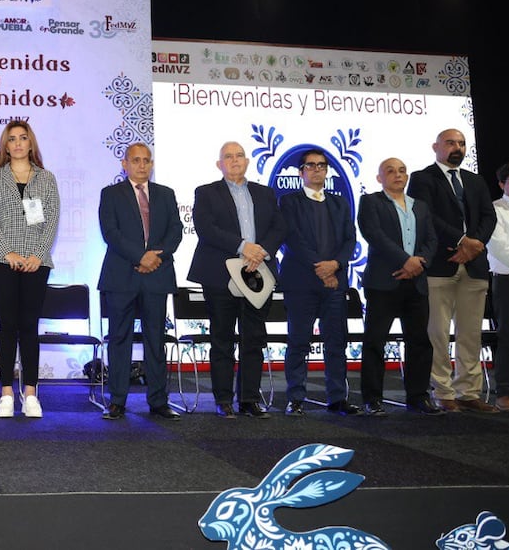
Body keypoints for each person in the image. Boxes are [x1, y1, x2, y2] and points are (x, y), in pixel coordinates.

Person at [187, 141, 286, 419]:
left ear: (247, 161)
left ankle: (249, 400)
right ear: (219, 164)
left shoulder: (265, 193)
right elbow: (207, 229)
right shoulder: (206, 192)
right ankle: (223, 400)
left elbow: (280, 227)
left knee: (253, 339)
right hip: (220, 275)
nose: (234, 160)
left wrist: (261, 250)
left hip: (259, 273)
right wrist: (244, 247)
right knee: (222, 339)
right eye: (228, 157)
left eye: (239, 155)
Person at [407, 129, 498, 413]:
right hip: (438, 266)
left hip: (474, 266)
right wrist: (462, 241)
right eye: (450, 143)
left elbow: (488, 216)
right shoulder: (422, 179)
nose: (456, 147)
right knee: (438, 332)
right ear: (436, 147)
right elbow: (425, 216)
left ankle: (468, 392)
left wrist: (475, 244)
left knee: (471, 333)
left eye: (461, 143)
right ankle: (443, 392)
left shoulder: (475, 180)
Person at [0, 119, 60, 419]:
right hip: (2, 261)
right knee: (8, 326)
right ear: (5, 145)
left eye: (22, 138)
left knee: (29, 327)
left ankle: (30, 393)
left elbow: (51, 219)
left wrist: (37, 254)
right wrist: (8, 252)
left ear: (30, 143)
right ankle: (5, 394)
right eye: (11, 138)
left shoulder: (46, 178)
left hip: (36, 263)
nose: (17, 143)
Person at [98, 142, 182, 420]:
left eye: (147, 160)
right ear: (125, 164)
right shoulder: (110, 194)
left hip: (157, 275)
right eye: (136, 160)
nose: (142, 165)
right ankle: (117, 401)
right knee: (119, 338)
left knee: (155, 340)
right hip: (122, 275)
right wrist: (140, 257)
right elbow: (111, 232)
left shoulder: (166, 194)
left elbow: (175, 231)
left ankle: (158, 401)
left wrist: (155, 257)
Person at [277, 149, 362, 416]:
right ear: (301, 172)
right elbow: (292, 239)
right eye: (310, 166)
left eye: (321, 166)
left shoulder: (339, 203)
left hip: (335, 283)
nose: (316, 170)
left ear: (327, 171)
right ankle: (296, 398)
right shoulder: (289, 202)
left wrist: (334, 266)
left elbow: (350, 239)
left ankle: (337, 398)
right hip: (301, 282)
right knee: (299, 342)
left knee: (336, 342)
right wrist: (321, 269)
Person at [358, 157, 441, 415]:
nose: (398, 175)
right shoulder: (371, 202)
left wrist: (419, 263)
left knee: (419, 342)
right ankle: (373, 398)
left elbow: (431, 239)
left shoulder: (421, 207)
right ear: (379, 178)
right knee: (375, 342)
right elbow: (374, 235)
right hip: (384, 282)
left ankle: (418, 396)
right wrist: (405, 261)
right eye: (390, 171)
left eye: (402, 171)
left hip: (416, 283)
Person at [487, 161, 509, 412]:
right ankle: (506, 391)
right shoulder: (496, 210)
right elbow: (499, 248)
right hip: (508, 279)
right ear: (501, 184)